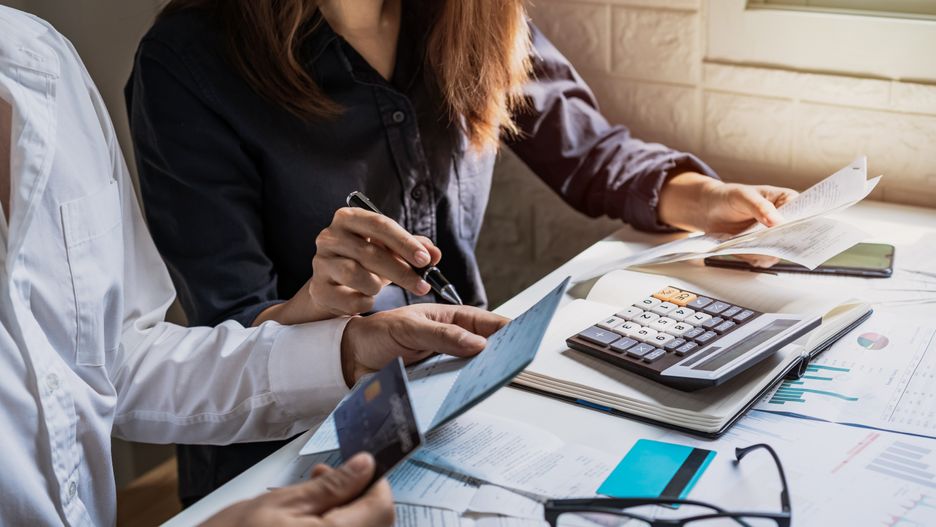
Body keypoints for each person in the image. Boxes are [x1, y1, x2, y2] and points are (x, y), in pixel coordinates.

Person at [127, 0, 797, 505]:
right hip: (289, 463)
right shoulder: (188, 61)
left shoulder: (472, 13)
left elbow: (588, 149)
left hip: (458, 401)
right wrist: (318, 306)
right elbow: (229, 334)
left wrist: (700, 195)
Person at [0, 6, 508, 525]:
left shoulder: (42, 61)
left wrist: (348, 351)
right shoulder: (187, 57)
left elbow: (114, 358)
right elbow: (226, 309)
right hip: (276, 465)